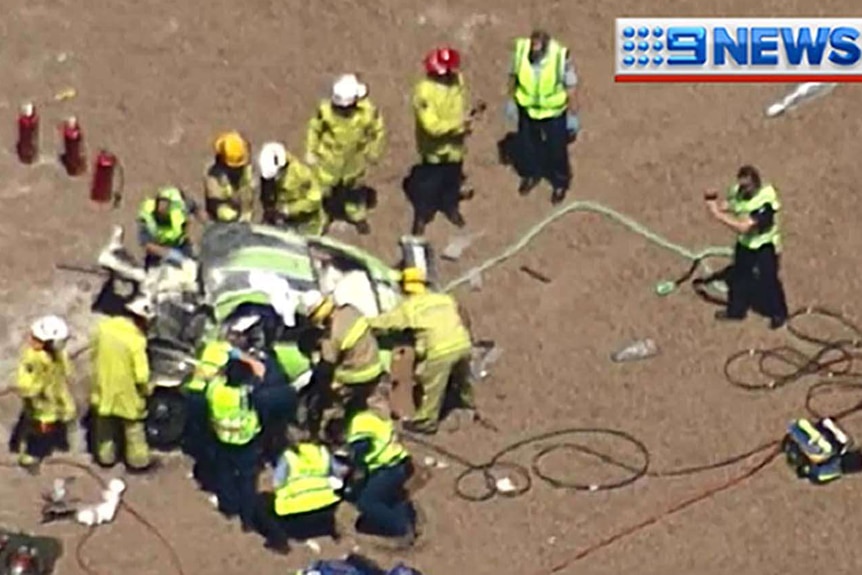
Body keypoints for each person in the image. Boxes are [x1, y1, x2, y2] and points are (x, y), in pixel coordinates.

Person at [368, 267, 473, 435]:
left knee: (432, 389)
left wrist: (364, 323)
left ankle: (426, 423)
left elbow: (386, 322)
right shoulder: (444, 299)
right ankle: (468, 403)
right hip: (462, 344)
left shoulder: (410, 307)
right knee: (463, 379)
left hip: (440, 352)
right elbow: (463, 315)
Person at [705, 165, 789, 329]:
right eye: (742, 186)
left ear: (756, 184)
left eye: (747, 186)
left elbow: (744, 227)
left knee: (769, 280)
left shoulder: (765, 202)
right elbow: (732, 204)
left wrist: (718, 215)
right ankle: (736, 311)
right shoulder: (739, 190)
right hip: (745, 244)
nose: (743, 190)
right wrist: (713, 202)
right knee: (739, 277)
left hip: (765, 245)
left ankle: (779, 313)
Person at [298, 290, 386, 436]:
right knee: (366, 405)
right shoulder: (350, 310)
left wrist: (322, 386)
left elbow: (327, 367)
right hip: (375, 366)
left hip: (356, 376)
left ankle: (334, 435)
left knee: (330, 402)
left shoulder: (330, 336)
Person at [306, 74, 385, 235]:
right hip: (328, 159)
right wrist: (311, 150)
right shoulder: (325, 110)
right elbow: (314, 129)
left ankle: (357, 216)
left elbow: (378, 131)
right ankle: (320, 220)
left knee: (353, 191)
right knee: (319, 191)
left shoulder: (367, 112)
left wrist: (374, 150)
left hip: (354, 160)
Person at [508, 29, 579, 204]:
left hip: (553, 112)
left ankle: (560, 182)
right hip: (528, 109)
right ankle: (531, 174)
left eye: (538, 50)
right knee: (528, 146)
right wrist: (511, 100)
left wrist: (573, 112)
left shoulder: (559, 56)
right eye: (533, 49)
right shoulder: (521, 51)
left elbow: (570, 84)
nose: (534, 52)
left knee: (557, 150)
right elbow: (513, 75)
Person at [409, 47, 474, 236]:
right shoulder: (424, 91)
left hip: (454, 147)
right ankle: (422, 215)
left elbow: (458, 105)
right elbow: (431, 126)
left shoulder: (457, 81)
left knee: (452, 181)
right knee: (428, 186)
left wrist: (463, 125)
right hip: (434, 150)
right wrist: (459, 124)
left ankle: (450, 207)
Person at [332, 403, 416, 548]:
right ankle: (404, 517)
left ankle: (401, 529)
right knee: (388, 497)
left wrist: (354, 468)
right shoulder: (365, 418)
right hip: (399, 463)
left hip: (390, 467)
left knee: (367, 502)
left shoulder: (357, 427)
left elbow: (362, 447)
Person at [89, 295, 156, 471]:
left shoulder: (104, 328)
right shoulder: (136, 341)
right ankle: (138, 462)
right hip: (127, 394)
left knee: (104, 428)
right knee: (133, 430)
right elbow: (141, 376)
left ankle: (106, 458)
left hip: (102, 388)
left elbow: (93, 353)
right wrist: (147, 390)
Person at [257, 429, 343, 554]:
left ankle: (277, 540)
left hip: (294, 512)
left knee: (260, 506)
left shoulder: (289, 455)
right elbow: (339, 473)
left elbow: (277, 482)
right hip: (325, 507)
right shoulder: (323, 452)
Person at [207, 353, 264, 531]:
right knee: (247, 481)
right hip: (246, 440)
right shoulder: (245, 394)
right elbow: (259, 377)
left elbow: (215, 377)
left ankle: (228, 507)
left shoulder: (214, 390)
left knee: (225, 475)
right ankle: (247, 520)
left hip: (222, 438)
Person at [11, 316, 76, 472]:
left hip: (56, 395)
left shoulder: (58, 354)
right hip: (40, 404)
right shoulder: (32, 358)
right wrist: (38, 386)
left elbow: (65, 368)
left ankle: (55, 438)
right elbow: (24, 384)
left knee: (64, 417)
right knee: (40, 429)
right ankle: (30, 455)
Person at [258, 141, 327, 236]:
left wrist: (288, 210)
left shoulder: (302, 174)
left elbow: (315, 200)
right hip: (283, 221)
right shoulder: (269, 171)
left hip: (306, 224)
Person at [137, 186, 204, 269]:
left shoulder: (180, 205)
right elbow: (147, 245)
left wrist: (209, 226)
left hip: (182, 247)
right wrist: (169, 254)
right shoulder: (146, 215)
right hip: (159, 254)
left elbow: (197, 210)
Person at [204, 131, 255, 223]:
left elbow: (247, 189)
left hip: (243, 211)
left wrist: (246, 213)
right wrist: (233, 217)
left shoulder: (245, 166)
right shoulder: (214, 177)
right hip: (224, 219)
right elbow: (216, 203)